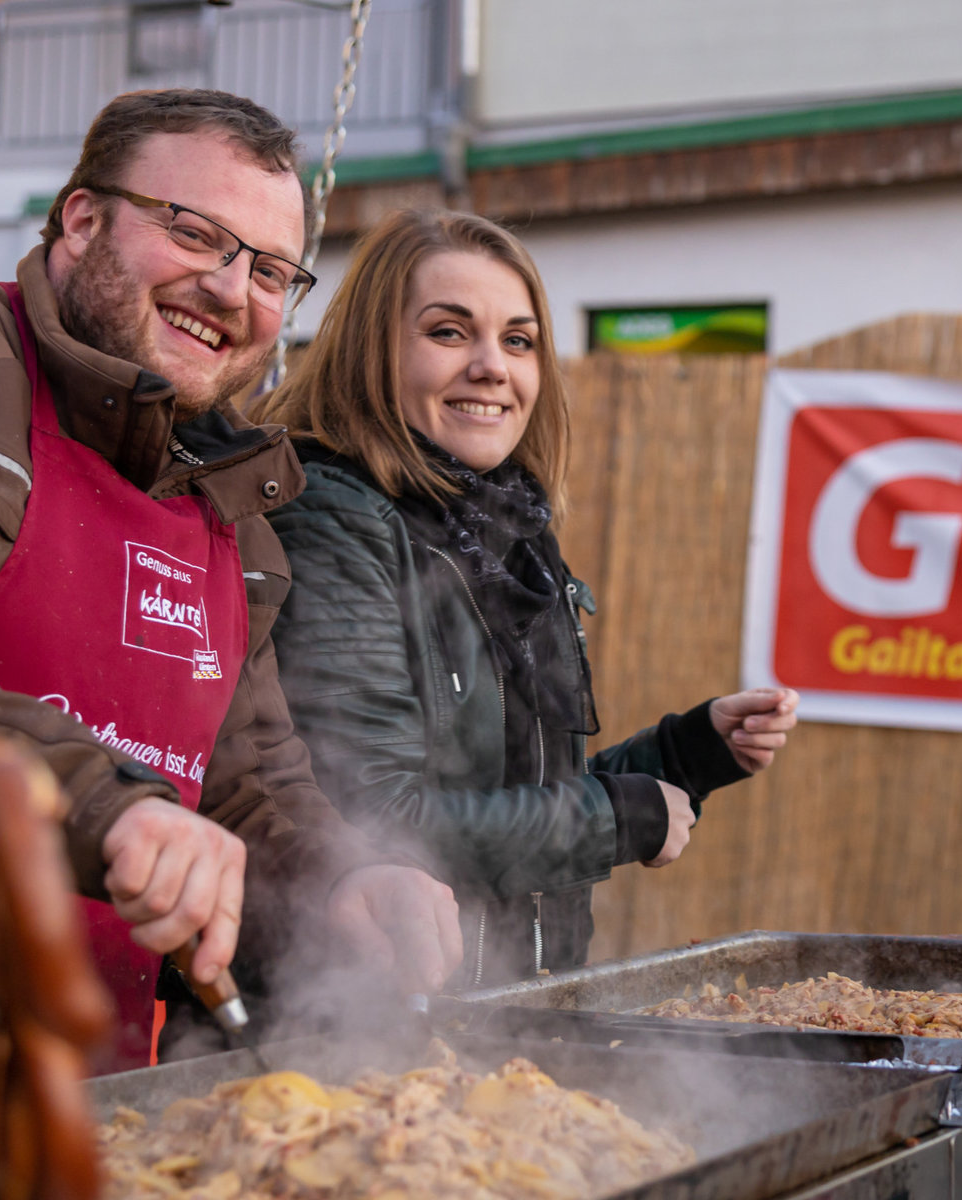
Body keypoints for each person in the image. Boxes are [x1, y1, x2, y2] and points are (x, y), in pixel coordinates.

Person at [0, 91, 462, 1070]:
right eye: (195, 233)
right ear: (81, 218)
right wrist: (103, 805)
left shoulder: (236, 525)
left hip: (85, 1104)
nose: (234, 290)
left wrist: (344, 879)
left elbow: (249, 786)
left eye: (272, 270)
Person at [247, 210, 801, 986]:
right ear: (373, 351)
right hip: (374, 1021)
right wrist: (615, 818)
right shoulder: (334, 519)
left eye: (518, 340)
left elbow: (514, 795)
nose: (491, 367)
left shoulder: (504, 531)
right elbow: (372, 821)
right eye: (448, 332)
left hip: (512, 1008)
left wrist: (683, 756)